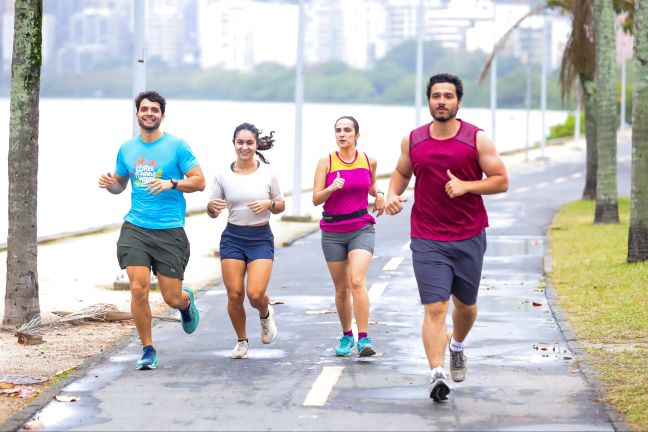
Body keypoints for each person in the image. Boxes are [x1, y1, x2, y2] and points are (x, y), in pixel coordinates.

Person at [385, 73, 508, 401]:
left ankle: (457, 346)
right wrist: (392, 195)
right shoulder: (413, 140)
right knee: (435, 308)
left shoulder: (476, 139)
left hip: (468, 234)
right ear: (429, 100)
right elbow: (401, 172)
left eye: (448, 96)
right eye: (436, 96)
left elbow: (501, 180)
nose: (441, 101)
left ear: (458, 101)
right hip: (427, 236)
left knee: (465, 307)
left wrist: (467, 186)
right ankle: (436, 373)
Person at [98, 90, 205, 370]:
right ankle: (147, 349)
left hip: (170, 230)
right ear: (137, 113)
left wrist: (172, 183)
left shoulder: (178, 146)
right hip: (136, 227)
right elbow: (121, 185)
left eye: (154, 110)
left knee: (171, 297)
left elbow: (199, 181)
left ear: (162, 115)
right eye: (144, 109)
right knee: (138, 288)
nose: (149, 113)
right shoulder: (127, 149)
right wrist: (110, 183)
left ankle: (185, 303)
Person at [207, 123, 285, 359]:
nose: (244, 147)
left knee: (255, 293)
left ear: (256, 144)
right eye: (240, 142)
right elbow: (212, 209)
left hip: (260, 237)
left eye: (249, 142)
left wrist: (268, 204)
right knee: (234, 294)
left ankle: (265, 313)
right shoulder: (222, 175)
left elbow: (281, 205)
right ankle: (241, 341)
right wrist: (211, 208)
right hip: (233, 237)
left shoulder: (267, 173)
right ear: (234, 144)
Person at [312, 116, 385, 357]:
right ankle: (347, 336)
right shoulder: (327, 162)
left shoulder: (368, 161)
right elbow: (315, 199)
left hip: (361, 227)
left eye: (347, 130)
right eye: (338, 131)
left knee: (356, 280)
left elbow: (371, 187)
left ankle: (364, 338)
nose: (342, 134)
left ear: (357, 135)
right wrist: (331, 188)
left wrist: (381, 194)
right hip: (332, 232)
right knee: (342, 288)